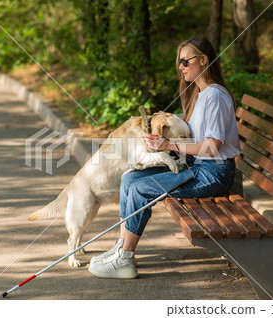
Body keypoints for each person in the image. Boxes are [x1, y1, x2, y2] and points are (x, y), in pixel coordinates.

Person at [88, 36, 241, 279]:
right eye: (179, 63)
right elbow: (190, 133)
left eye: (185, 61)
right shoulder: (201, 94)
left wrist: (169, 144)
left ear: (203, 60)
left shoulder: (215, 96)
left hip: (213, 172)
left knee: (140, 189)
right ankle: (122, 247)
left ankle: (125, 258)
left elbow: (212, 148)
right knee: (130, 179)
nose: (180, 67)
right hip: (198, 167)